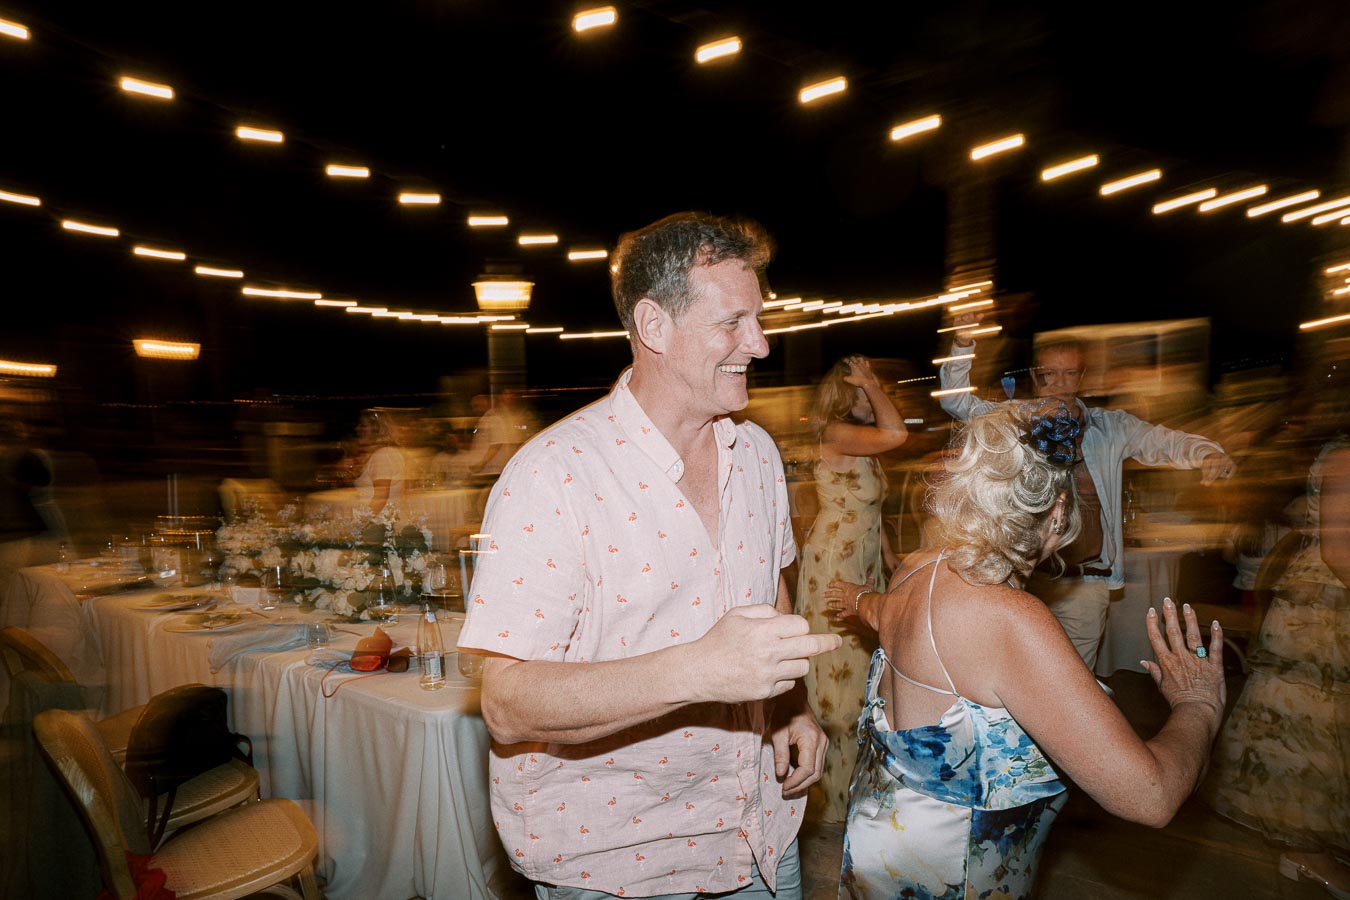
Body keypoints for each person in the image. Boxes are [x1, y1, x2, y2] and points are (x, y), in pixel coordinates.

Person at [457, 212, 842, 899]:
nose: (759, 343)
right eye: (732, 322)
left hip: (761, 830)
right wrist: (698, 669)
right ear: (654, 326)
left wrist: (793, 707)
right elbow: (508, 704)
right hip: (619, 858)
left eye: (759, 318)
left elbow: (767, 596)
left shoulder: (755, 453)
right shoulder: (553, 476)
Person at [824, 402, 1227, 899]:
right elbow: (1151, 797)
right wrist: (1198, 703)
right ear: (1057, 513)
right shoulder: (1010, 619)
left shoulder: (918, 567)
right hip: (954, 879)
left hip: (881, 857)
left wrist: (859, 599)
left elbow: (883, 613)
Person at [938, 325, 1236, 668]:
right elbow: (956, 402)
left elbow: (1163, 441)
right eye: (1049, 373)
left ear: (1081, 376)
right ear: (1035, 375)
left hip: (1085, 583)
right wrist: (962, 344)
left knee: (1074, 677)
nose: (1059, 383)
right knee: (1018, 671)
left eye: (1068, 374)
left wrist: (1207, 454)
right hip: (1025, 578)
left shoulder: (1108, 427)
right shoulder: (1017, 419)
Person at [1206, 393, 1350, 898]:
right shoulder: (1345, 458)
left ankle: (1308, 852)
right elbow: (1339, 548)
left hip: (1320, 603)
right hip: (1324, 610)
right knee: (1312, 739)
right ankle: (1306, 852)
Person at [794, 355, 908, 823]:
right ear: (847, 394)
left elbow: (868, 506)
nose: (877, 397)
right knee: (841, 678)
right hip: (836, 562)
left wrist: (887, 557)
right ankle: (838, 805)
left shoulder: (857, 443)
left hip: (862, 561)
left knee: (864, 673)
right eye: (865, 391)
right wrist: (871, 383)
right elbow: (897, 432)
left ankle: (855, 787)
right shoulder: (839, 434)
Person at [351, 409, 405, 517]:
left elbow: (380, 499)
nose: (357, 429)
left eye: (363, 425)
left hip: (380, 524)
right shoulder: (383, 453)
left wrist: (361, 525)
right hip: (381, 522)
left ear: (377, 430)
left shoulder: (383, 455)